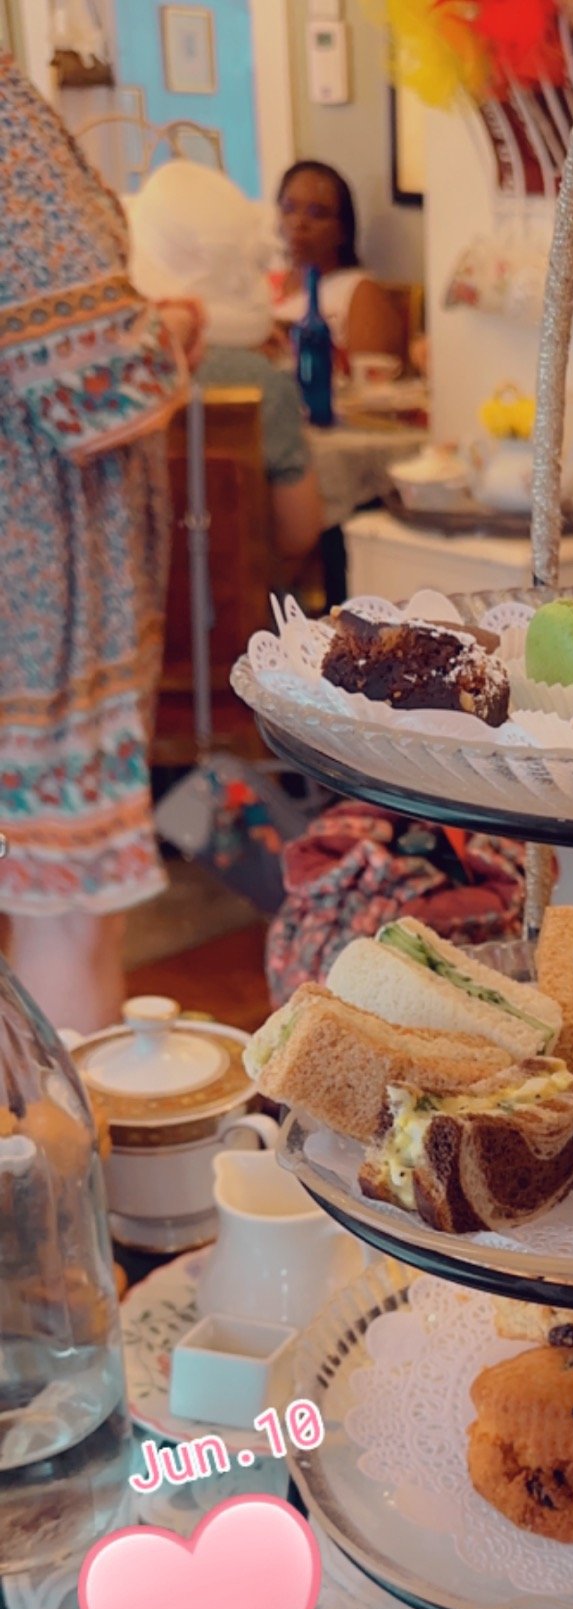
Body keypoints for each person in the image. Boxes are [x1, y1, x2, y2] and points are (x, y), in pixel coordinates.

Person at [0, 57, 201, 1033]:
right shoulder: (5, 126)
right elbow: (97, 384)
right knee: (66, 911)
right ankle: (59, 1178)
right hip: (38, 599)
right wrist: (171, 328)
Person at [127, 160, 323, 567]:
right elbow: (298, 534)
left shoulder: (114, 378)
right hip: (240, 614)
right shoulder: (262, 382)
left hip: (134, 613)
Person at [273, 162, 406, 363]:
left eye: (316, 213)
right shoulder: (262, 283)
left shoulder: (359, 291)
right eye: (289, 209)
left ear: (342, 229)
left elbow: (374, 383)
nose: (298, 223)